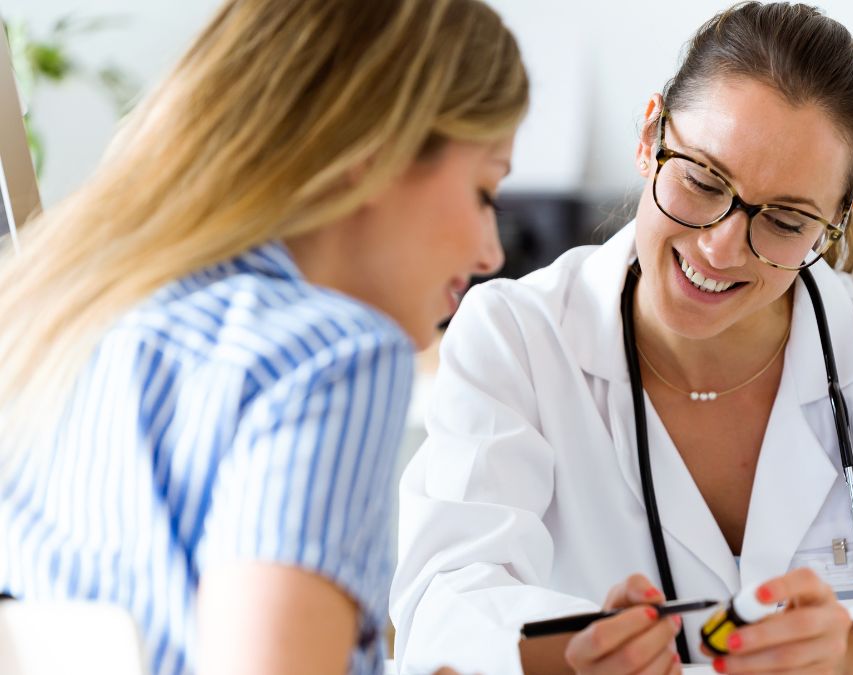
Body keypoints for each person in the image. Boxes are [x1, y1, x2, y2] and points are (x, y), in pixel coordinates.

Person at [389, 3, 853, 674]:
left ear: (839, 216)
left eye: (784, 219)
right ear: (651, 135)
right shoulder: (517, 338)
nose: (721, 247)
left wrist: (850, 652)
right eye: (703, 179)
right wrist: (572, 655)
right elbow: (444, 604)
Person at [0, 1, 526, 673]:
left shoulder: (61, 317)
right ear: (374, 152)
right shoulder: (332, 355)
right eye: (487, 191)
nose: (491, 253)